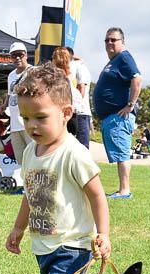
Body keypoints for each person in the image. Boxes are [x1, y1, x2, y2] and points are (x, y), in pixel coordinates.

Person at [5, 62, 111, 274]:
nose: (32, 125)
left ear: (66, 113)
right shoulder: (30, 153)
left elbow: (97, 196)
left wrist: (103, 234)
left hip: (73, 243)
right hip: (43, 243)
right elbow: (30, 194)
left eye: (40, 117)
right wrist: (18, 228)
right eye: (25, 118)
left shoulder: (74, 154)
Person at [93, 27, 142, 200]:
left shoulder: (124, 57)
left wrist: (130, 104)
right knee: (119, 154)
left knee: (122, 153)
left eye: (113, 40)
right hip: (111, 117)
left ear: (122, 42)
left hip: (119, 116)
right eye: (107, 40)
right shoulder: (114, 61)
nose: (109, 43)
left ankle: (124, 190)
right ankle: (122, 189)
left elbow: (137, 78)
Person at [0, 42, 33, 165]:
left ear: (26, 55)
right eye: (13, 56)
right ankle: (27, 184)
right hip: (14, 124)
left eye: (20, 54)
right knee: (20, 159)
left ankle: (37, 184)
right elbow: (10, 93)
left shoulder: (33, 71)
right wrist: (4, 105)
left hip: (29, 123)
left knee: (34, 156)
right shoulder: (11, 75)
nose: (17, 58)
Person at [51, 47, 83, 138]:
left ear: (57, 60)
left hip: (63, 119)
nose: (51, 60)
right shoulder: (70, 77)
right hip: (72, 117)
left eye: (53, 57)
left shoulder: (59, 80)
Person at [67, 47, 92, 149]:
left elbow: (81, 87)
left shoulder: (78, 66)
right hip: (72, 113)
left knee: (81, 148)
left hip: (79, 113)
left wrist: (75, 107)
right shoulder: (72, 66)